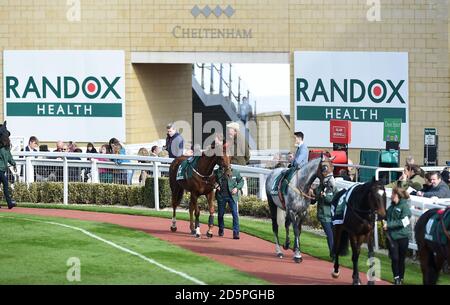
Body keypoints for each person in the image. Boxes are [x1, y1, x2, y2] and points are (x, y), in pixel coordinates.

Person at [383, 187, 412, 285]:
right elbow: (385, 216)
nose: (391, 196)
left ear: (398, 195)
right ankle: (396, 278)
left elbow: (405, 221)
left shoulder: (405, 207)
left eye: (393, 194)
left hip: (403, 236)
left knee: (401, 258)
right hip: (392, 237)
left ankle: (401, 278)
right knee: (395, 258)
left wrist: (389, 225)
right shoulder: (391, 207)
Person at [215, 166, 244, 240]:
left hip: (232, 197)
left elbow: (241, 181)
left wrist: (236, 188)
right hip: (221, 196)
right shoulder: (217, 172)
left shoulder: (235, 172)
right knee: (220, 214)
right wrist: (215, 185)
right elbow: (210, 180)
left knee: (235, 214)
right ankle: (221, 228)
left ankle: (236, 233)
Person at [313, 178, 337, 259]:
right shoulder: (320, 188)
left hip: (333, 216)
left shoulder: (334, 189)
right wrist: (321, 189)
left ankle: (332, 253)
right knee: (330, 235)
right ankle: (333, 254)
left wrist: (325, 196)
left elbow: (333, 200)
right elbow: (316, 193)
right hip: (324, 216)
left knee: (334, 235)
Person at [0, 131, 16, 209]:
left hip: (3, 170)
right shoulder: (1, 148)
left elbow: (9, 158)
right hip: (0, 170)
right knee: (6, 184)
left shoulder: (7, 149)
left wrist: (14, 164)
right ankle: (9, 203)